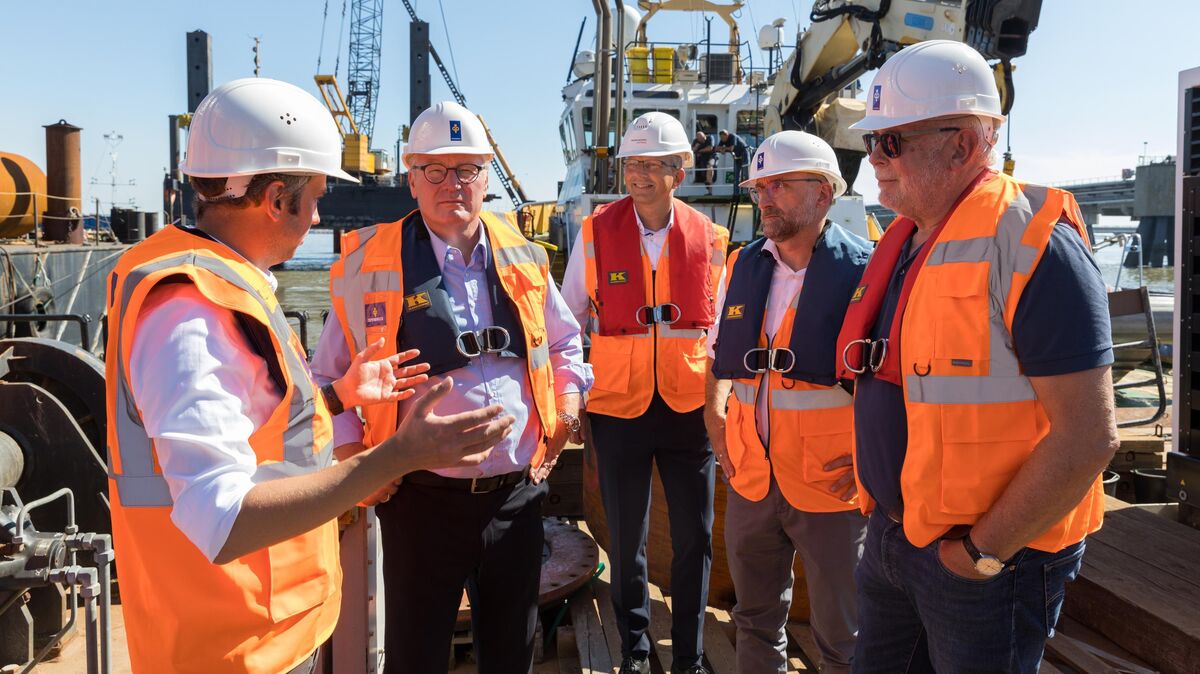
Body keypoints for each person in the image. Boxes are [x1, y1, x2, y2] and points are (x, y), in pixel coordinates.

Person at [106, 78, 512, 674]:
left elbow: (250, 427)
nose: (319, 215)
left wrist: (337, 395)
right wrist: (397, 456)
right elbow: (222, 519)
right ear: (276, 198)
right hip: (232, 645)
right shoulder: (188, 312)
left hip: (266, 629)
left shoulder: (221, 283)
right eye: (316, 196)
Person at [835, 40, 1119, 672]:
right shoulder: (906, 241)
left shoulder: (1034, 244)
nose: (873, 160)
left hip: (985, 566)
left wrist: (981, 554)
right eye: (871, 141)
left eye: (891, 142)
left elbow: (1087, 437)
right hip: (894, 535)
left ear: (961, 144)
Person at [312, 100, 592, 674]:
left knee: (513, 653)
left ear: (487, 176)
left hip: (516, 497)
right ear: (411, 178)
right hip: (418, 500)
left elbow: (565, 342)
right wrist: (351, 456)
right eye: (435, 171)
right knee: (414, 656)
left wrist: (565, 408)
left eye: (466, 170)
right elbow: (327, 378)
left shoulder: (523, 254)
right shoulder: (368, 263)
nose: (452, 185)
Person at [562, 111, 729, 674]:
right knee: (627, 541)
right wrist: (572, 398)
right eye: (633, 164)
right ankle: (634, 650)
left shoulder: (711, 239)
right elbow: (567, 322)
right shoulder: (594, 233)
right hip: (616, 408)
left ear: (680, 171)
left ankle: (690, 655)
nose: (640, 176)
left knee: (695, 539)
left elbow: (723, 333)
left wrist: (719, 405)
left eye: (654, 165)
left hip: (687, 409)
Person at [704, 130, 870, 674]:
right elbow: (717, 360)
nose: (765, 198)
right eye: (759, 187)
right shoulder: (742, 267)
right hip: (753, 479)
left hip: (831, 485)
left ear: (823, 193)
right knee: (752, 618)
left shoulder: (865, 274)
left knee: (842, 636)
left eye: (780, 184)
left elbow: (896, 384)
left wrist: (874, 468)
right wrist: (718, 432)